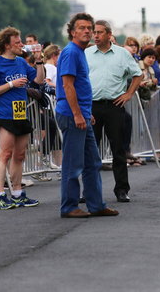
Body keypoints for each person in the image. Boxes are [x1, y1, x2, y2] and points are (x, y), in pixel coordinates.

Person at [56, 13, 119, 218]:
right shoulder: (71, 52)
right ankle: (69, 206)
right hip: (71, 114)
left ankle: (96, 204)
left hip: (81, 114)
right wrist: (77, 114)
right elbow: (67, 85)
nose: (86, 31)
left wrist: (85, 112)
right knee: (73, 164)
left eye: (89, 28)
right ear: (72, 32)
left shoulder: (80, 51)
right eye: (81, 28)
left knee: (92, 162)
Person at [86, 20, 143, 202]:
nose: (96, 36)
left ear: (109, 34)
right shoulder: (87, 53)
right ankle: (88, 191)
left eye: (100, 32)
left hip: (115, 105)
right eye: (94, 32)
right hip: (93, 105)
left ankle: (121, 189)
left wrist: (128, 94)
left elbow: (138, 74)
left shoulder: (122, 54)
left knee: (118, 149)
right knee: (90, 150)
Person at [0, 27, 45, 210]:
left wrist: (39, 62)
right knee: (4, 154)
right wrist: (11, 84)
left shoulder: (21, 62)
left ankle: (17, 193)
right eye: (17, 42)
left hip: (22, 113)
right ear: (6, 45)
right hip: (5, 114)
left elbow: (38, 80)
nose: (21, 45)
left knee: (20, 155)